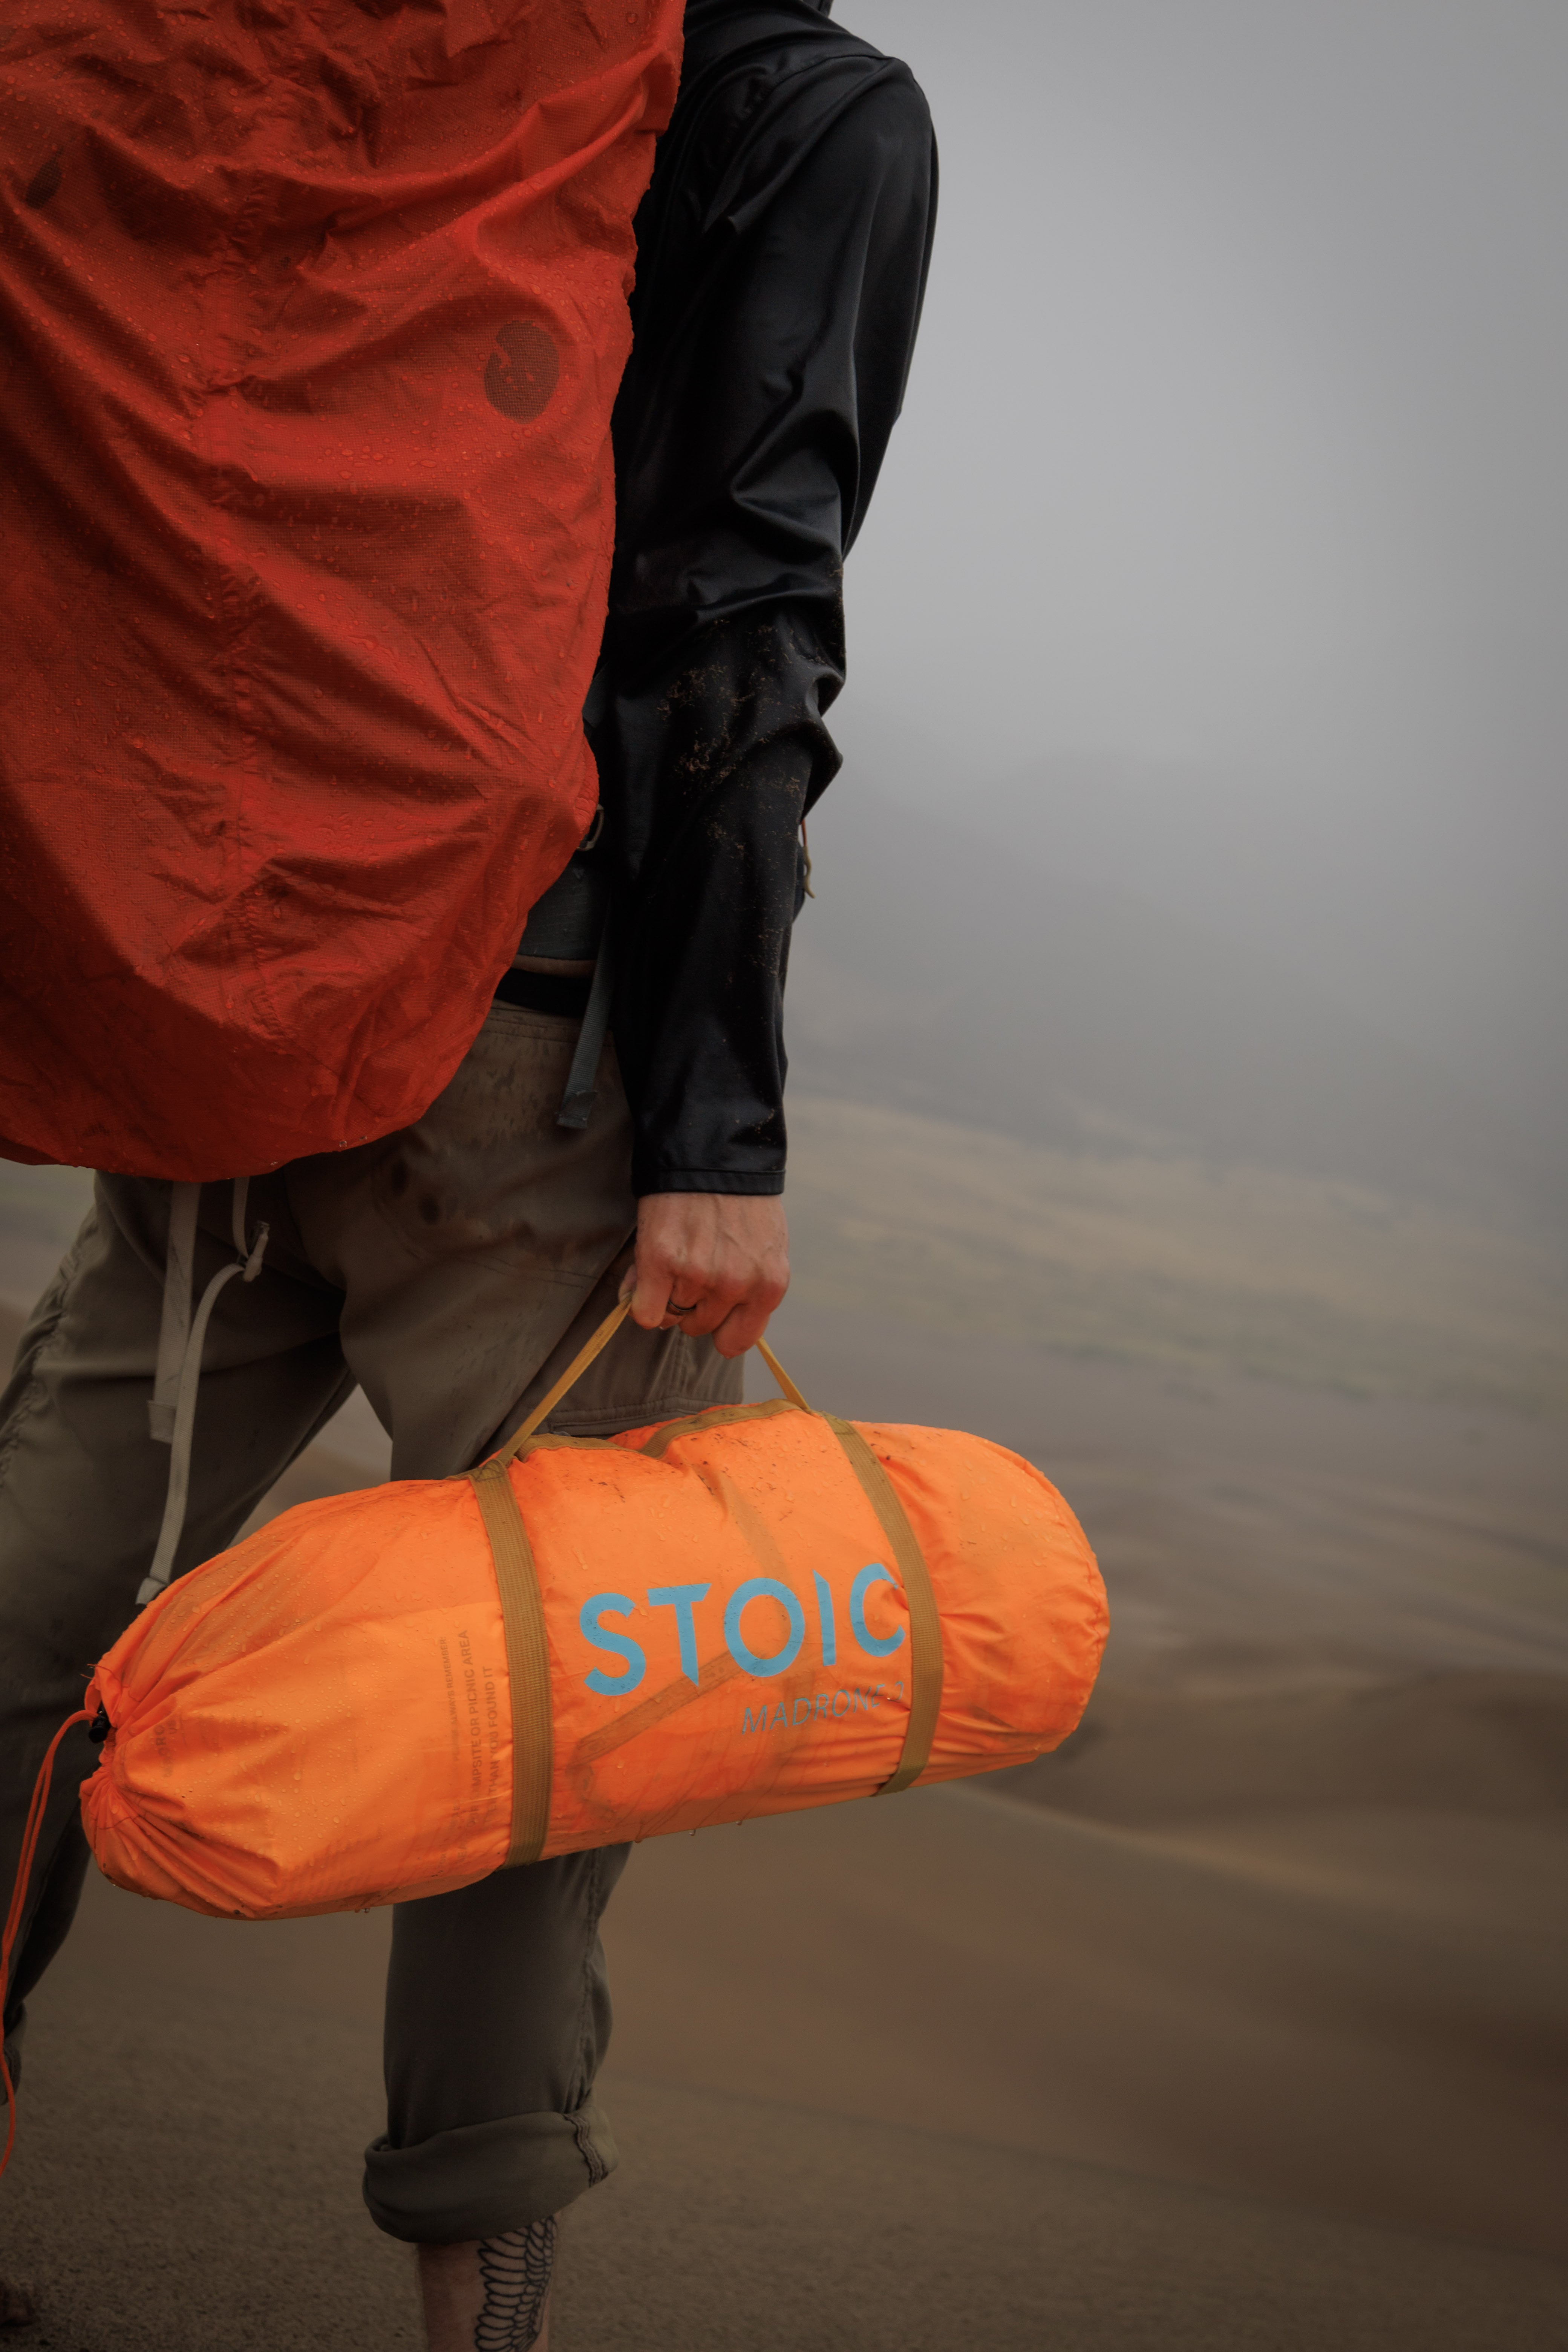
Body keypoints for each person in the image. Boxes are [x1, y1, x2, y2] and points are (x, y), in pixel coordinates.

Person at [0, 0, 934, 2343]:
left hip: (255, 982)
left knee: (23, 1621)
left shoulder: (341, 62)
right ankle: (476, 2330)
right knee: (544, 1707)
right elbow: (737, 605)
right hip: (535, 1057)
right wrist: (719, 1133)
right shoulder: (806, 109)